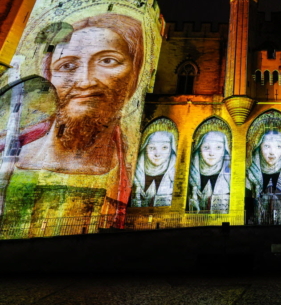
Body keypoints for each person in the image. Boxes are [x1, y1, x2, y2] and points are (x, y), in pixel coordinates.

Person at [1, 14, 143, 224]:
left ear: (136, 75)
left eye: (107, 61)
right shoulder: (7, 150)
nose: (85, 82)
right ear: (48, 76)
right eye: (67, 65)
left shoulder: (135, 161)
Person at [246, 130, 281, 224]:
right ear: (259, 147)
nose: (272, 152)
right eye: (267, 146)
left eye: (278, 146)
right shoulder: (250, 175)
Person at [187, 130, 231, 213]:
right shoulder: (188, 174)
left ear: (224, 150)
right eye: (206, 147)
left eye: (218, 147)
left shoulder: (230, 176)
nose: (211, 153)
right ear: (199, 148)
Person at [131, 131, 177, 207]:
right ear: (145, 148)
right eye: (152, 148)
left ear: (171, 149)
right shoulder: (133, 171)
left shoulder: (176, 172)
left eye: (164, 147)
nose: (157, 154)